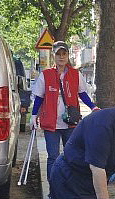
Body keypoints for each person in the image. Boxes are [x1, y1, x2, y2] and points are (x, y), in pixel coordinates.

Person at [30, 41, 98, 177]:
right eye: (58, 54)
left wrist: (93, 107)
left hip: (70, 122)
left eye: (64, 54)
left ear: (68, 56)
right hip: (51, 124)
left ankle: (68, 187)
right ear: (53, 56)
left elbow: (82, 93)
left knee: (71, 156)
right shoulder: (46, 75)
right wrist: (33, 116)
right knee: (53, 157)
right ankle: (53, 188)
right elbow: (39, 97)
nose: (61, 57)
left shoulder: (75, 74)